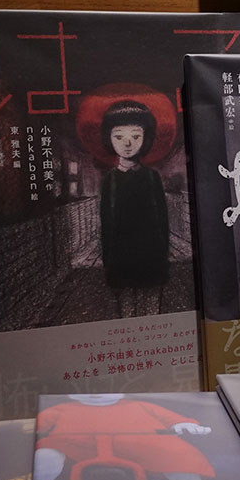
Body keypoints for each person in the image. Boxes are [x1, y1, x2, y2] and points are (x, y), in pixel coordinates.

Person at [33, 393, 240, 480]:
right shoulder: (63, 408)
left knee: (181, 462)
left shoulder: (139, 405)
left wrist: (184, 424)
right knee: (47, 449)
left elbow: (169, 418)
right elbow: (41, 423)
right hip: (77, 445)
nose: (95, 395)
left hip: (144, 445)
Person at [99, 99, 170, 318]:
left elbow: (162, 220)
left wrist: (163, 254)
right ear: (109, 138)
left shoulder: (152, 177)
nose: (128, 143)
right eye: (119, 136)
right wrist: (107, 260)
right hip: (121, 255)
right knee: (126, 311)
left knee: (152, 307)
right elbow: (106, 222)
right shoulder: (110, 180)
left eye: (136, 136)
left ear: (146, 138)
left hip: (151, 253)